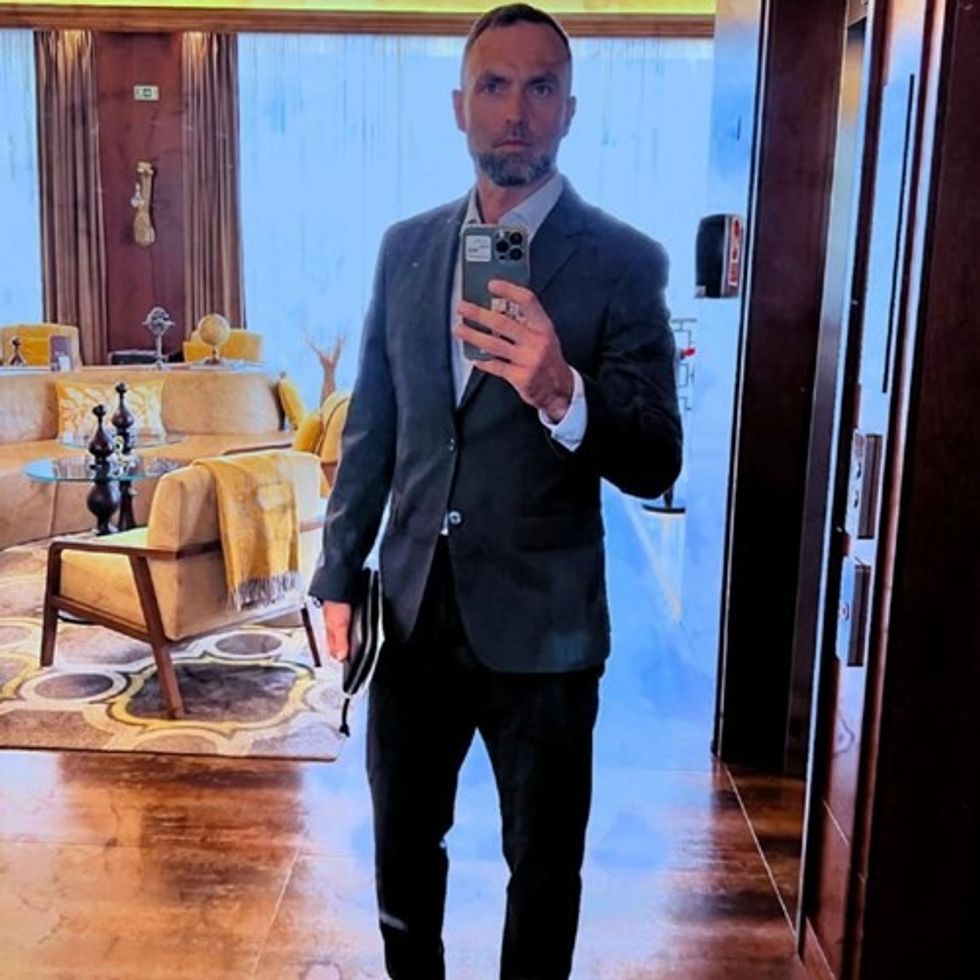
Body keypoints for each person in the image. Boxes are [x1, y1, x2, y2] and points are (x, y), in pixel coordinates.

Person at [309, 5, 682, 977]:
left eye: (540, 86)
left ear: (569, 110)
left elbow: (656, 459)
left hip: (546, 627)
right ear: (459, 107)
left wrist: (561, 390)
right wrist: (337, 571)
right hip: (411, 610)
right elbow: (374, 425)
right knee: (402, 850)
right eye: (494, 85)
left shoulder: (623, 261)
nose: (515, 110)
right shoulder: (405, 249)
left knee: (544, 867)